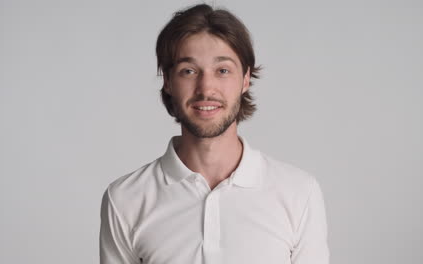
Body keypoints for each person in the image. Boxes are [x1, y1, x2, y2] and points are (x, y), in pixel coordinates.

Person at [100, 4, 329, 264]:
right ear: (168, 81)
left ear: (245, 79)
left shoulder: (298, 193)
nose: (206, 88)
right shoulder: (125, 199)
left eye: (222, 70)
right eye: (189, 71)